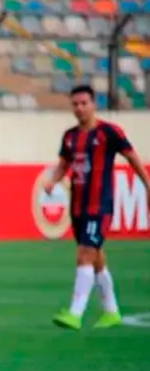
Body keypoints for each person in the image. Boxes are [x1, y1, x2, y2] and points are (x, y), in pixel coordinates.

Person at [43, 84, 149, 330]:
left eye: (84, 103)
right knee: (97, 258)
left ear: (93, 105)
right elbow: (64, 164)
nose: (79, 108)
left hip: (99, 205)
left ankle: (75, 313)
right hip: (77, 207)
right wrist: (53, 181)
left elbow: (132, 157)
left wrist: (147, 185)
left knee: (84, 254)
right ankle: (111, 311)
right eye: (75, 104)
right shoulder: (70, 136)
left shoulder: (109, 132)